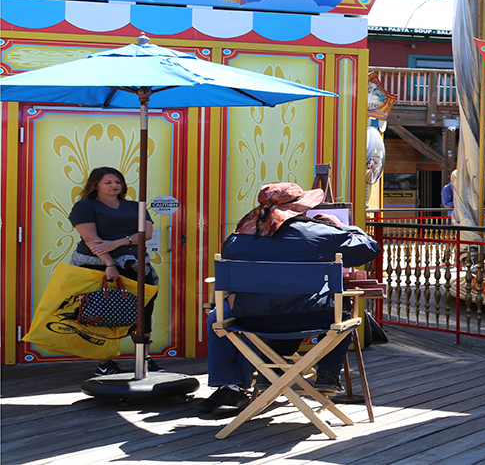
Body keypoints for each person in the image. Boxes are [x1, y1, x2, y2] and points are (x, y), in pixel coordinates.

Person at [198, 182, 379, 415]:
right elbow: (369, 249)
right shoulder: (318, 233)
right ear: (299, 209)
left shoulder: (239, 237)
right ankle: (327, 374)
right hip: (309, 318)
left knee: (217, 316)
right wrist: (342, 226)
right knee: (343, 305)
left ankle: (254, 378)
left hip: (253, 319)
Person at [69, 167, 161, 376]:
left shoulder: (136, 206)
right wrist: (110, 264)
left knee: (143, 311)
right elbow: (91, 239)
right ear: (95, 185)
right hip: (98, 266)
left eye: (117, 181)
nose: (114, 186)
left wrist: (118, 242)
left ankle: (144, 357)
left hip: (135, 265)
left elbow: (146, 233)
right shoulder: (85, 206)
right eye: (108, 182)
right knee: (104, 312)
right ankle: (105, 362)